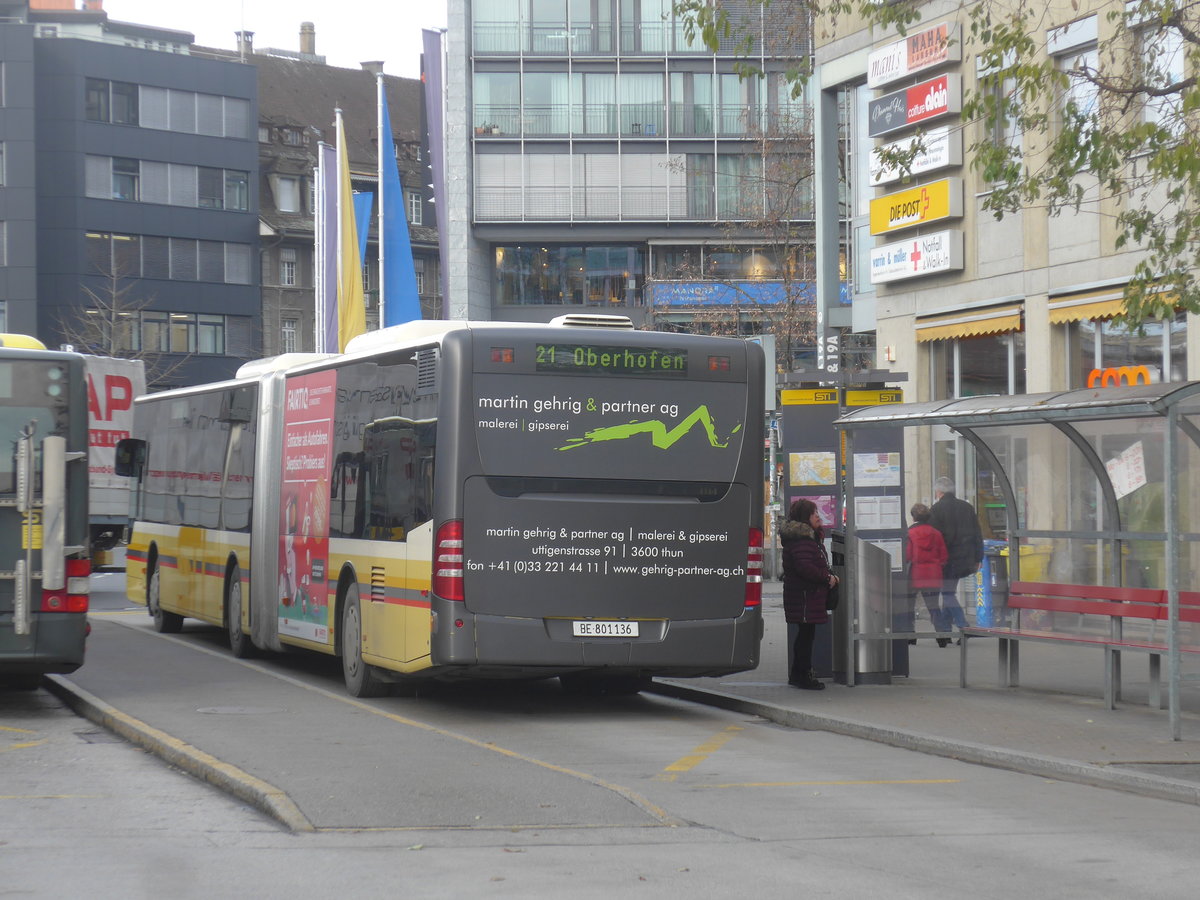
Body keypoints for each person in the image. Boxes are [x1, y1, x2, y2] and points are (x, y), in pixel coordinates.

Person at [780, 498, 839, 690]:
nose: (818, 518)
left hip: (806, 595)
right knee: (805, 637)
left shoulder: (807, 538)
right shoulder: (802, 540)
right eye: (815, 514)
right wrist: (826, 578)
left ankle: (798, 674)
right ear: (806, 517)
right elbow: (805, 567)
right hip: (804, 596)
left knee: (806, 635)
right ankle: (802, 676)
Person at [929, 476, 984, 646]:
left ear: (939, 492)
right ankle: (945, 630)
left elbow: (934, 538)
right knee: (949, 592)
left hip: (946, 560)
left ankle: (963, 626)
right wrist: (978, 557)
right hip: (965, 559)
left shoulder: (936, 509)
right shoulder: (967, 507)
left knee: (947, 593)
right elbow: (977, 533)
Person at [905, 502, 948, 645]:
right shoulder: (937, 533)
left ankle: (911, 635)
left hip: (915, 575)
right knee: (934, 606)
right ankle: (941, 636)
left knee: (909, 606)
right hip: (933, 574)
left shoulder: (910, 533)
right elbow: (944, 556)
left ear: (913, 517)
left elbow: (908, 555)